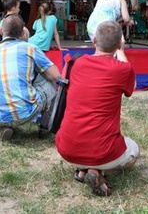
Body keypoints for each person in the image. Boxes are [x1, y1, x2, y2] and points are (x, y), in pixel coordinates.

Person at [55, 21, 138, 197]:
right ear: (119, 44)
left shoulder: (78, 63)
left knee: (93, 143)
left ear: (93, 41)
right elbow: (131, 89)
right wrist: (121, 51)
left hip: (66, 147)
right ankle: (97, 170)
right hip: (104, 151)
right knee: (134, 150)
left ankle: (86, 169)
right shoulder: (122, 69)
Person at [0, 14, 61, 139]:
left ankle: (5, 124)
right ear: (23, 33)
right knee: (48, 82)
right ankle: (44, 126)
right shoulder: (30, 49)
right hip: (26, 112)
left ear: (1, 31)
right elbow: (56, 76)